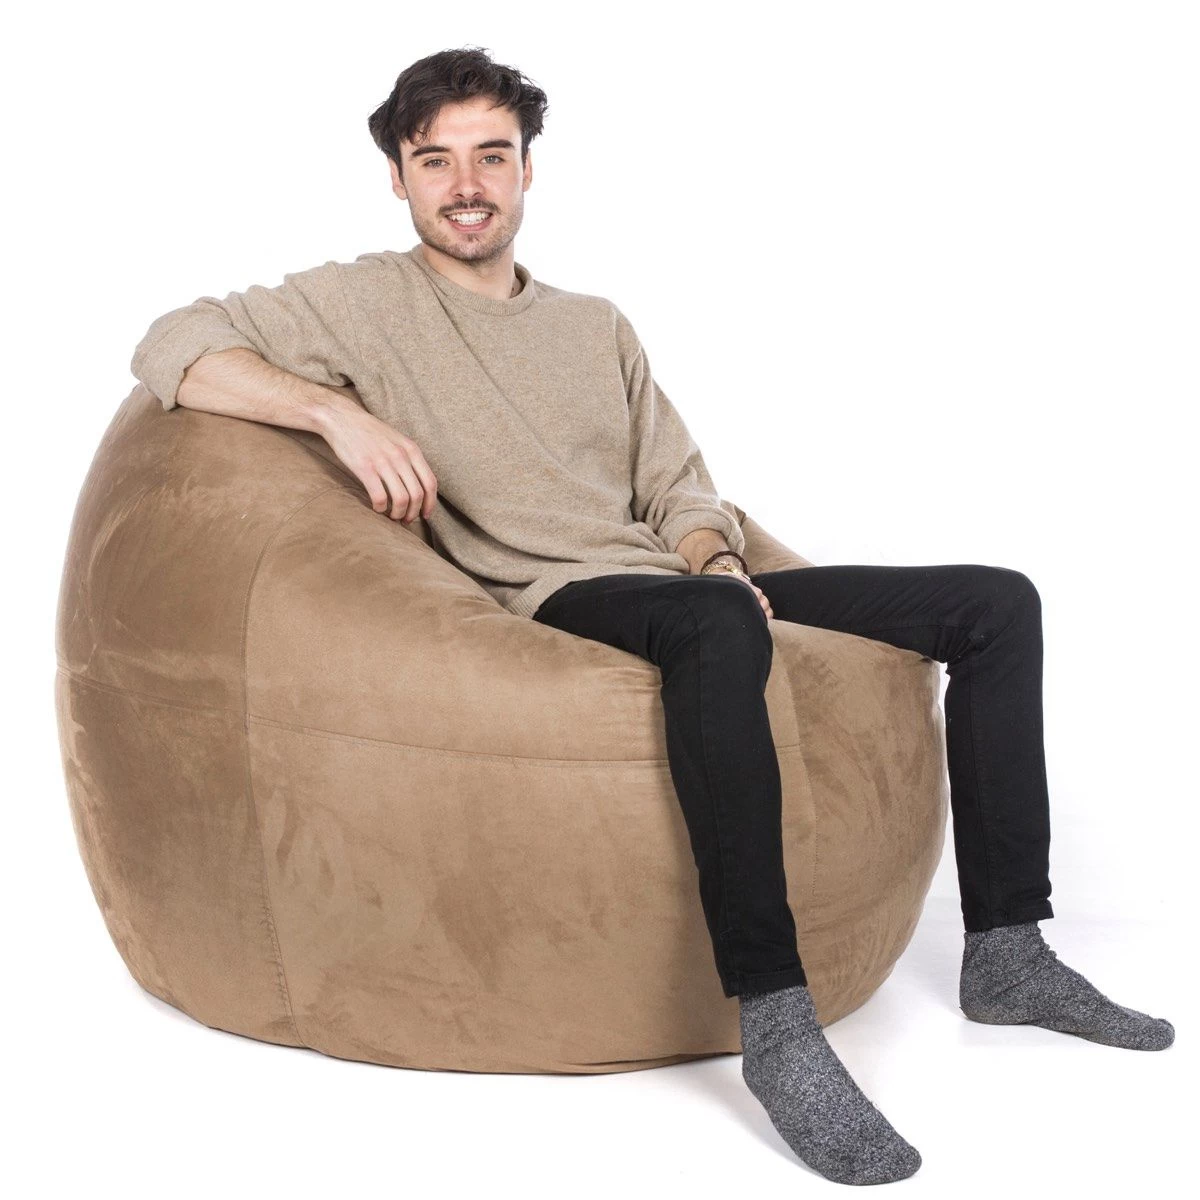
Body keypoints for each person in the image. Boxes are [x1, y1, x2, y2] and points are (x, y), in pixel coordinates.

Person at [129, 46, 1174, 1187]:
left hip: (674, 579)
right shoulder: (364, 302)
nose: (466, 184)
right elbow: (170, 343)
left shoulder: (596, 325)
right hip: (552, 595)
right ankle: (777, 1021)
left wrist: (715, 556)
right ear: (398, 177)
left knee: (994, 603)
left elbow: (676, 483)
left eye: (491, 156)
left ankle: (1008, 950)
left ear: (529, 169)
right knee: (719, 632)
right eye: (436, 161)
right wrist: (336, 416)